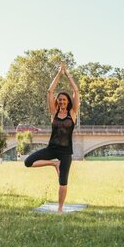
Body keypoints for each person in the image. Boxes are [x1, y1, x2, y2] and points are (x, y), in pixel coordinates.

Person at [23, 62, 80, 213]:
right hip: (51, 149)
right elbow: (50, 91)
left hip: (66, 152)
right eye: (59, 99)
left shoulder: (72, 114)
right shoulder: (53, 113)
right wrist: (59, 74)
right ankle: (53, 164)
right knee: (28, 162)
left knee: (63, 182)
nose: (61, 101)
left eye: (64, 99)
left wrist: (67, 74)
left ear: (68, 101)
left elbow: (76, 90)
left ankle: (60, 209)